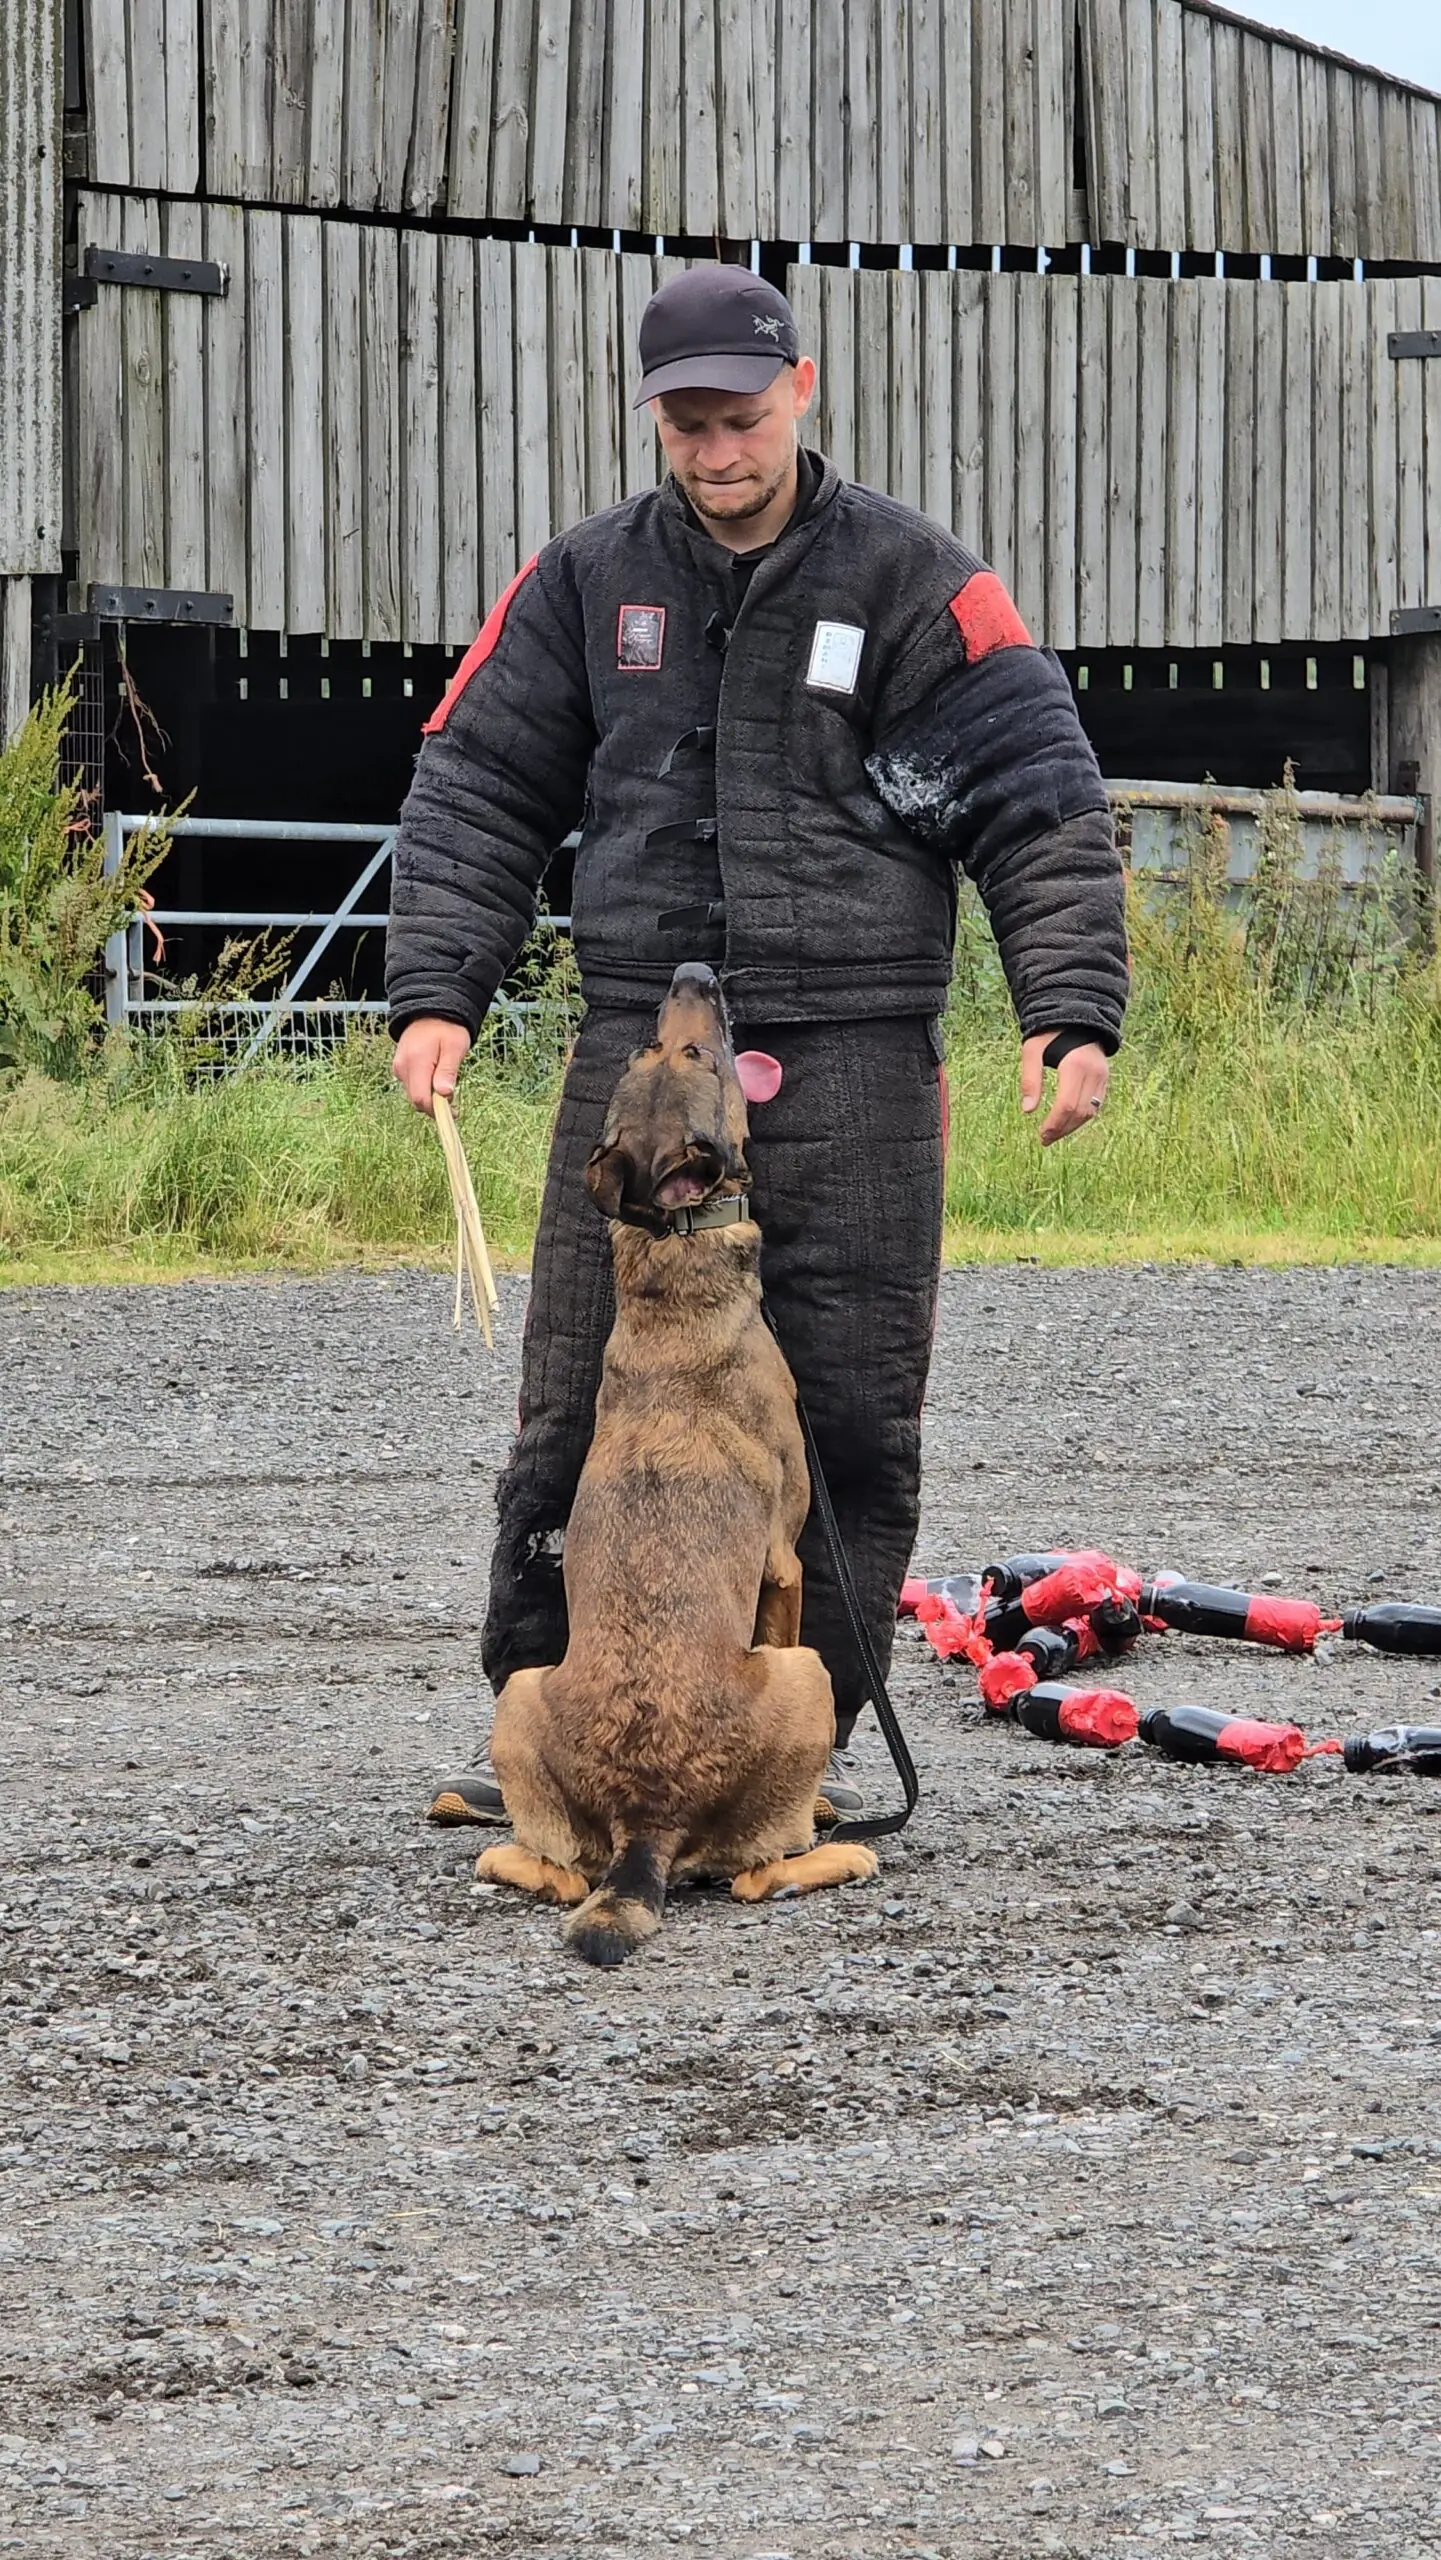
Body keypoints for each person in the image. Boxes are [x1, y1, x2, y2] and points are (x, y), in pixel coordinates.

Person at [387, 262, 1128, 1825]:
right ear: (652, 416)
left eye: (742, 419)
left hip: (855, 1061)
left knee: (849, 1416)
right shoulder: (587, 583)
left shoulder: (916, 583)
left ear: (803, 391)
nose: (718, 454)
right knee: (580, 1413)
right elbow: (477, 785)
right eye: (688, 426)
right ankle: (557, 1727)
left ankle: (793, 1755)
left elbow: (1037, 796)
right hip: (642, 1063)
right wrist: (437, 989)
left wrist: (1071, 1012)